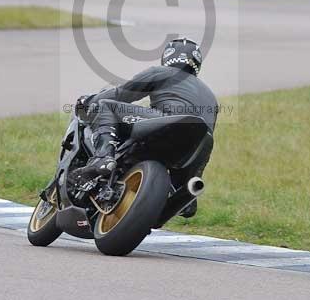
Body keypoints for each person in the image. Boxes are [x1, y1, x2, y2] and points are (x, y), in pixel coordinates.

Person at [71, 37, 218, 217]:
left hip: (168, 122)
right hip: (200, 144)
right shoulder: (210, 96)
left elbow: (121, 94)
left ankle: (103, 157)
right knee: (186, 189)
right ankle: (186, 197)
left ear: (168, 57)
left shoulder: (162, 72)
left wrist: (88, 102)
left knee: (107, 106)